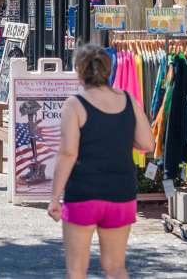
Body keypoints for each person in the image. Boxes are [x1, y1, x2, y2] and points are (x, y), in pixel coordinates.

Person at [49, 44, 154, 279]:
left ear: (79, 71)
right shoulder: (128, 100)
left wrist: (55, 197)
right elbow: (147, 144)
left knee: (77, 270)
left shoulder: (74, 105)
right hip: (121, 193)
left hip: (84, 194)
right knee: (116, 268)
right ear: (108, 69)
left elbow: (68, 153)